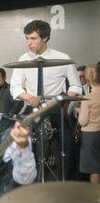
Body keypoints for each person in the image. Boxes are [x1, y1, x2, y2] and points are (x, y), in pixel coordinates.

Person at [10, 20, 81, 181]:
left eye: (33, 38)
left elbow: (77, 86)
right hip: (32, 108)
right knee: (24, 149)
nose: (29, 42)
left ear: (45, 38)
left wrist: (65, 102)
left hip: (55, 109)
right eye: (27, 38)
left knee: (66, 149)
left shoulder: (62, 58)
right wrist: (28, 97)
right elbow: (14, 87)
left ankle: (63, 187)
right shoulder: (23, 58)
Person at [76, 64, 100, 184]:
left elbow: (83, 121)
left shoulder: (87, 98)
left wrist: (79, 112)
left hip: (91, 135)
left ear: (88, 79)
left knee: (94, 169)